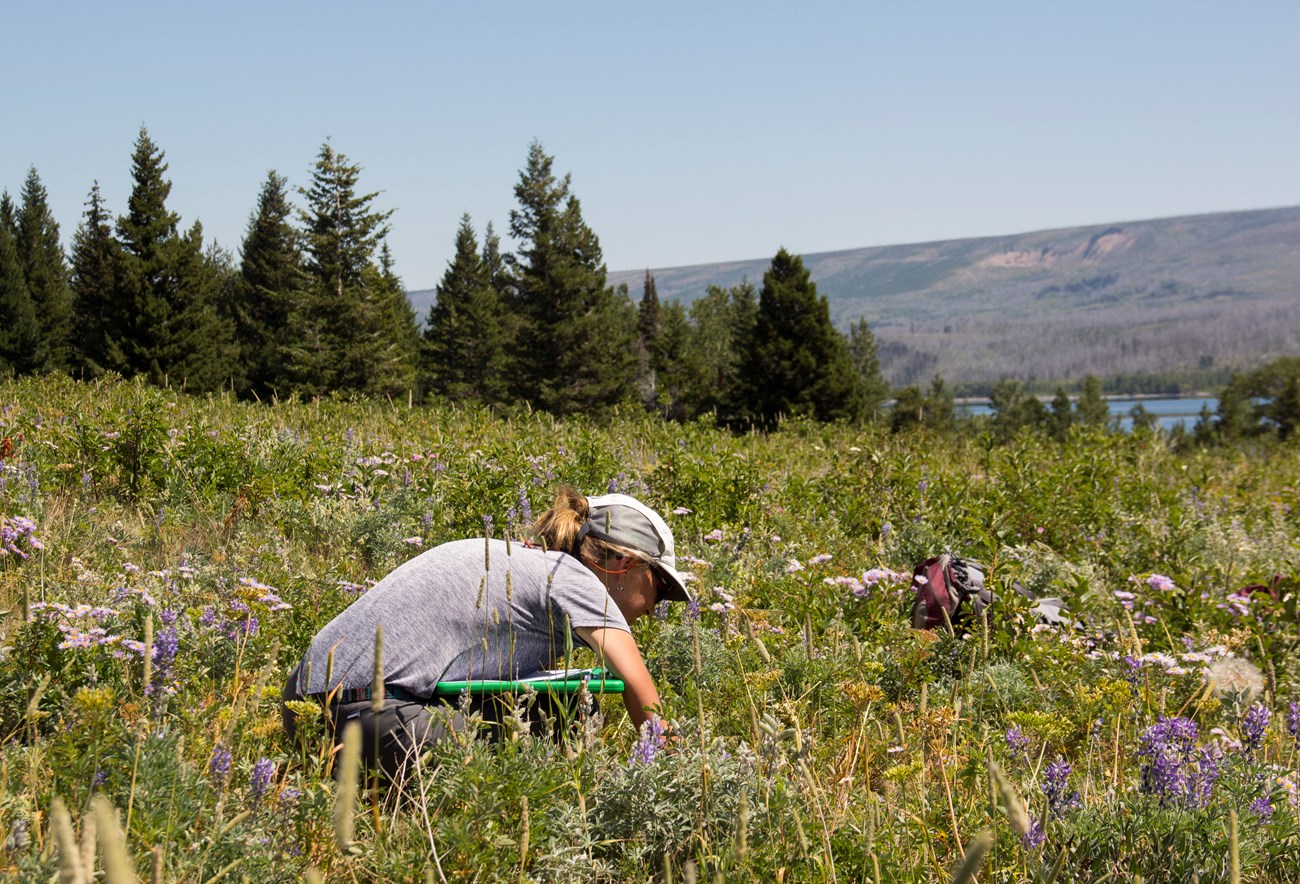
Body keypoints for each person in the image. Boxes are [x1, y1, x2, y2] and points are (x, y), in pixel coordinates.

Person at [281, 487, 691, 778]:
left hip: (306, 710)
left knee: (552, 712)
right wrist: (680, 775)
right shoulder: (577, 582)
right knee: (556, 732)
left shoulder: (527, 565)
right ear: (624, 563)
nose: (652, 611)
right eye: (657, 589)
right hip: (366, 715)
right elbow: (642, 694)